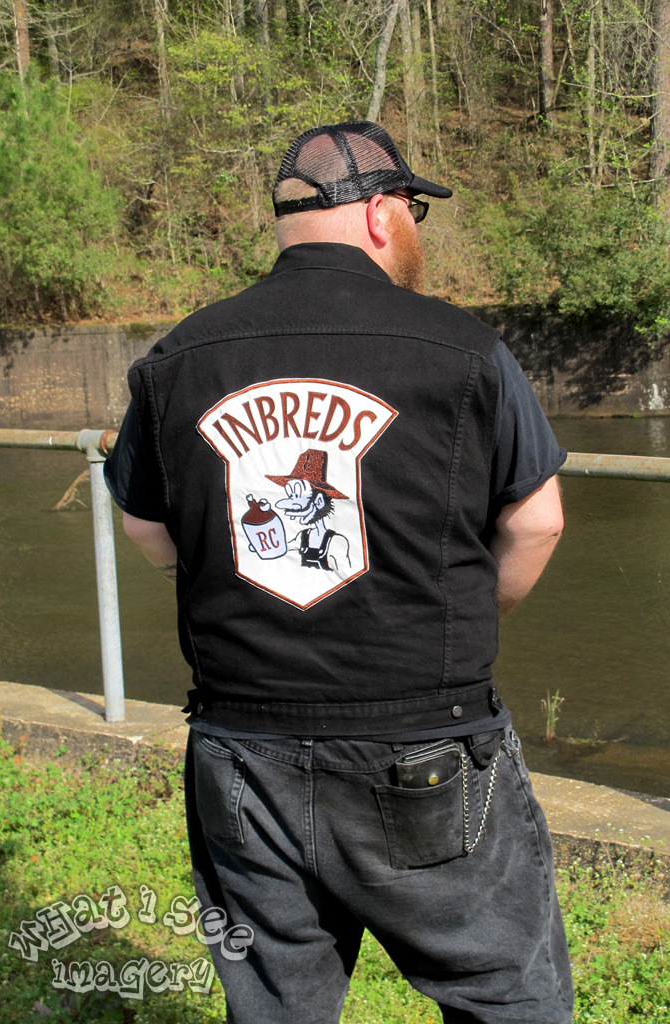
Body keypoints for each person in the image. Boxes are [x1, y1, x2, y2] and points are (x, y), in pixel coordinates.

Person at [104, 121, 573, 1024]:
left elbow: (145, 526)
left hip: (243, 744)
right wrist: (462, 613)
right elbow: (538, 521)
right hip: (425, 739)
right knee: (505, 996)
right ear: (381, 213)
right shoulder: (464, 348)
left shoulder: (177, 357)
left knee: (277, 1004)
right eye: (414, 215)